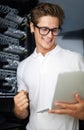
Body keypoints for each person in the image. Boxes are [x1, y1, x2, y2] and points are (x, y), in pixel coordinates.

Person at [14, 2, 84, 130]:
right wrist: (19, 110)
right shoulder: (23, 66)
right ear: (32, 27)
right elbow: (23, 114)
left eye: (54, 30)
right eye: (44, 29)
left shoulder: (76, 59)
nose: (50, 35)